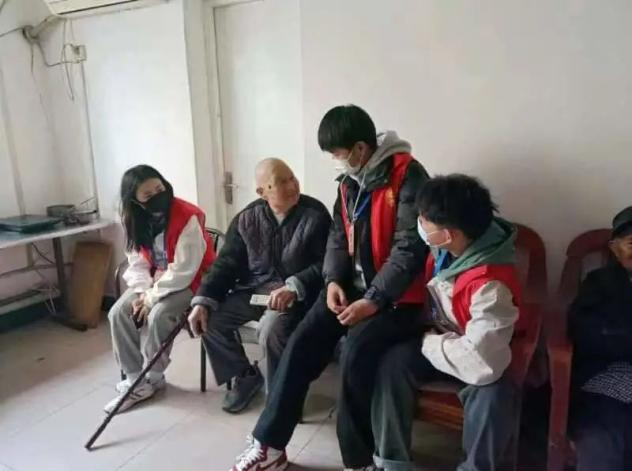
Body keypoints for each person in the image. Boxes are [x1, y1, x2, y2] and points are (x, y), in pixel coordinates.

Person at [230, 104, 429, 471]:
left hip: (397, 299)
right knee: (302, 342)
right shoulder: (350, 182)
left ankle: (358, 461)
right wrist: (334, 279)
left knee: (355, 353)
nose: (336, 162)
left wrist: (374, 300)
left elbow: (409, 250)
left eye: (337, 154)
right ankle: (270, 444)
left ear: (360, 149)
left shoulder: (409, 178)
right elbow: (338, 237)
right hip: (351, 289)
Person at [372, 174, 524, 471]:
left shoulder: (492, 285)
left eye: (424, 221)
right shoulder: (450, 246)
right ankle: (392, 462)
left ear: (449, 234)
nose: (419, 223)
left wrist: (430, 342)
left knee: (494, 396)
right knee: (393, 364)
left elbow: (481, 360)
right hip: (442, 338)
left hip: (481, 356)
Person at [188, 158, 331, 413]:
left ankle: (281, 396)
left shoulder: (315, 214)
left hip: (295, 295)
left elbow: (327, 263)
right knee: (212, 320)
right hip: (253, 291)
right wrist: (202, 300)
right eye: (281, 182)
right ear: (262, 192)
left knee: (272, 329)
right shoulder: (247, 218)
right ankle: (245, 376)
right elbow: (226, 264)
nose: (292, 185)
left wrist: (295, 285)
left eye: (292, 178)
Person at [105, 165, 216, 413]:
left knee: (159, 314)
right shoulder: (133, 218)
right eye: (148, 194)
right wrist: (142, 292)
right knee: (118, 313)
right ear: (135, 201)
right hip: (155, 279)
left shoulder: (187, 216)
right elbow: (137, 260)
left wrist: (150, 299)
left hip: (193, 279)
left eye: (159, 188)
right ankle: (135, 380)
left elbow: (185, 270)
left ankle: (154, 376)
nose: (158, 196)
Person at [567, 206, 632, 471]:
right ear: (615, 249)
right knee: (603, 440)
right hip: (607, 376)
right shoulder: (600, 283)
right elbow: (585, 331)